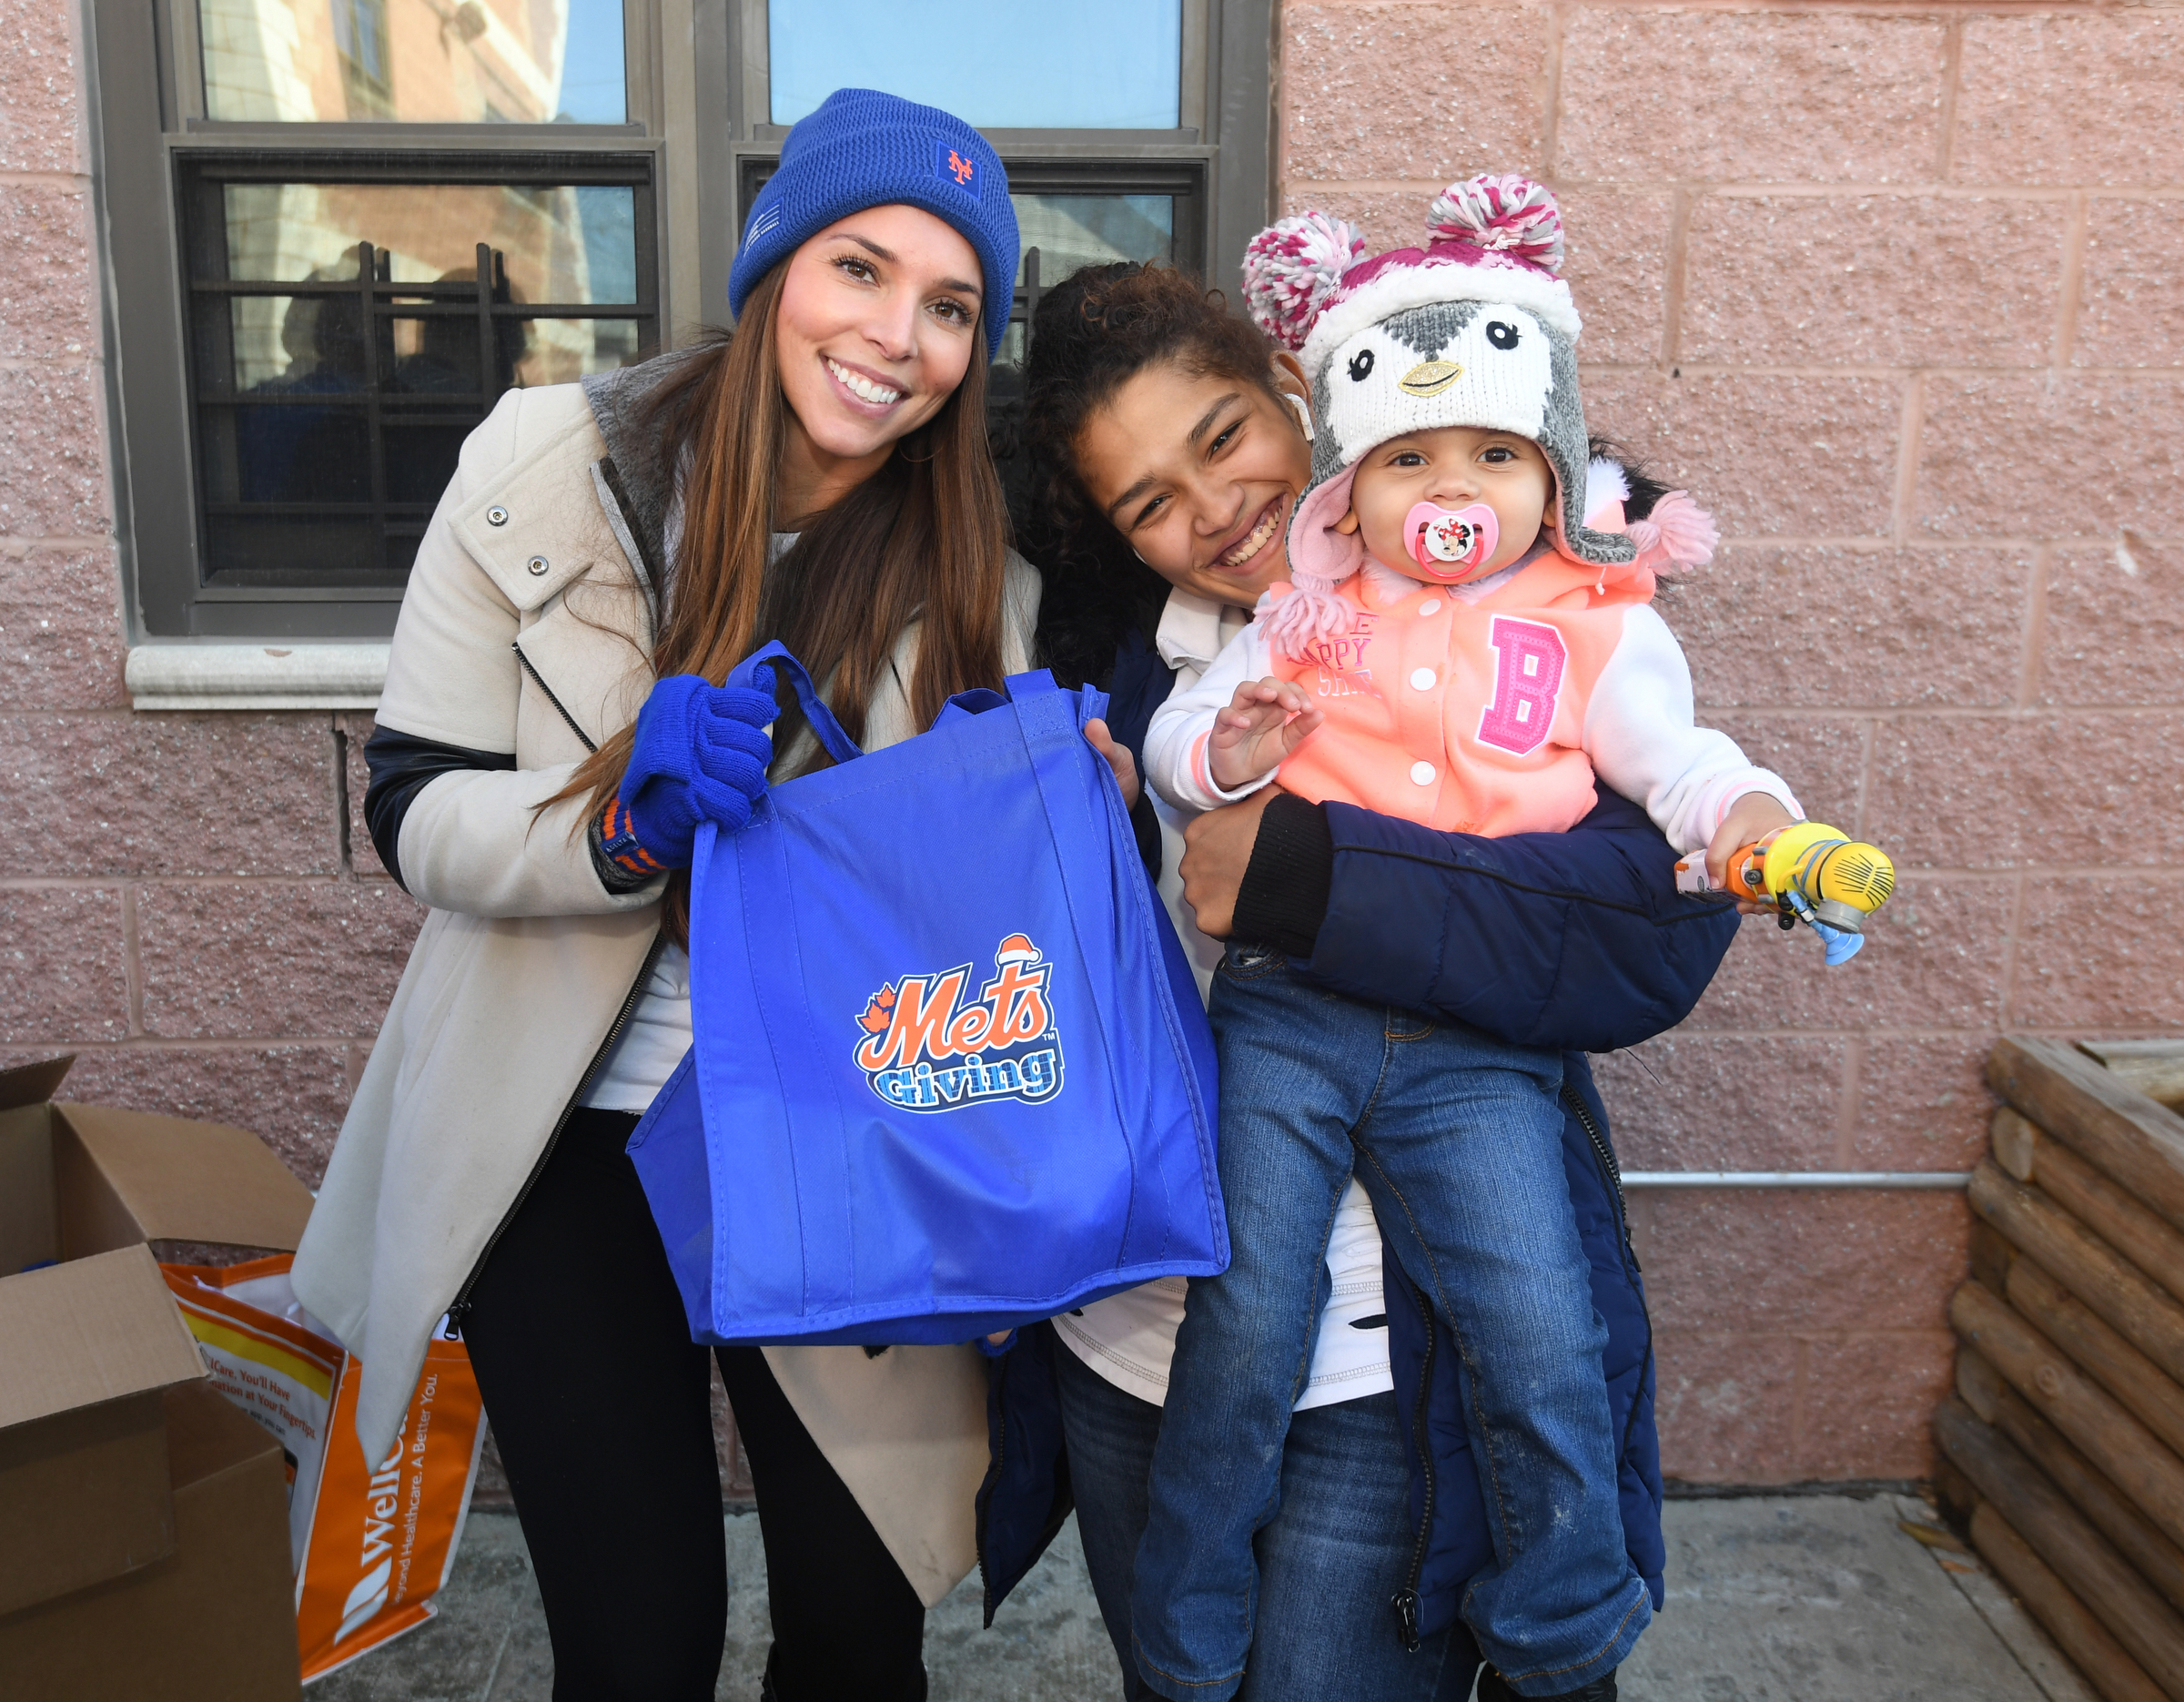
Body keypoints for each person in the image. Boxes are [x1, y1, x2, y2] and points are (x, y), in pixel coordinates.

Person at [291, 88, 1046, 1702]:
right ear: (776, 266)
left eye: (951, 305)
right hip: (561, 1150)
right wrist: (617, 830)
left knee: (857, 1629)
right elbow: (412, 804)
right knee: (637, 1650)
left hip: (847, 1150)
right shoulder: (540, 467)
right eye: (861, 268)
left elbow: (999, 921)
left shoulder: (990, 568)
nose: (896, 335)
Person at [1125, 177, 1835, 1702]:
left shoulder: (1598, 616)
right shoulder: (1313, 612)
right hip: (1291, 1014)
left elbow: (1678, 764)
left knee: (1539, 1329)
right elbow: (1187, 749)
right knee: (1246, 1320)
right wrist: (1235, 750)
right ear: (1354, 483)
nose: (1454, 487)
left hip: (1481, 1053)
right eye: (1411, 458)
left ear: (1553, 462)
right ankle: (1179, 1620)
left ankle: (1564, 1616)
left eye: (1498, 452)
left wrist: (1764, 826)